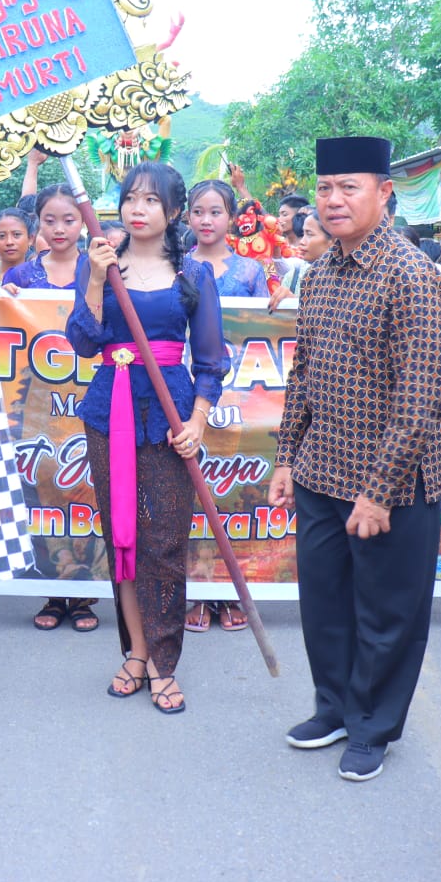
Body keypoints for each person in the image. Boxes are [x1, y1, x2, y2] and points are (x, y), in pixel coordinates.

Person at [267, 134, 441, 783]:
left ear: (384, 193)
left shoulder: (411, 276)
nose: (333, 200)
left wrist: (378, 491)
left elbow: (422, 396)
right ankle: (336, 707)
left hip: (393, 485)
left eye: (349, 187)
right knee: (324, 603)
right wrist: (287, 457)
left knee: (386, 612)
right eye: (325, 188)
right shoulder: (317, 276)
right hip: (322, 470)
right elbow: (303, 374)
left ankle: (373, 726)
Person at [68, 161, 230, 714]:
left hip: (169, 413)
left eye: (151, 201)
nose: (138, 209)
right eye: (130, 199)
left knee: (163, 541)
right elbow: (84, 343)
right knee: (122, 537)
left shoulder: (195, 277)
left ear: (173, 212)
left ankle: (164, 663)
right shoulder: (101, 268)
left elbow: (210, 359)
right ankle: (135, 652)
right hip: (107, 409)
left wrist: (198, 420)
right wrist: (93, 278)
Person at [10, 183, 100, 633]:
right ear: (37, 224)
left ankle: (85, 596)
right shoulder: (22, 278)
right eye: (50, 220)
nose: (60, 228)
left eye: (70, 219)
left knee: (86, 484)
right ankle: (54, 585)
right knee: (44, 485)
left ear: (84, 221)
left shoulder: (99, 269)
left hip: (93, 396)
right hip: (40, 401)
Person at [182, 177, 261, 633]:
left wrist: (280, 301)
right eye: (198, 211)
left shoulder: (250, 272)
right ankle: (197, 589)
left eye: (215, 211)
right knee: (192, 492)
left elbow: (266, 327)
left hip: (239, 397)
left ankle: (230, 592)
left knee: (230, 493)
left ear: (232, 218)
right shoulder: (175, 266)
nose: (206, 220)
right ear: (186, 216)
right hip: (185, 394)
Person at [5, 184, 83, 290]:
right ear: (39, 222)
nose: (59, 230)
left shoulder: (101, 270)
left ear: (83, 222)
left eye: (68, 221)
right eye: (50, 221)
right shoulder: (17, 276)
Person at [0, 206, 34, 282]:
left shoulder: (42, 279)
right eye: (2, 236)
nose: (9, 242)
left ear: (30, 239)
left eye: (16, 234)